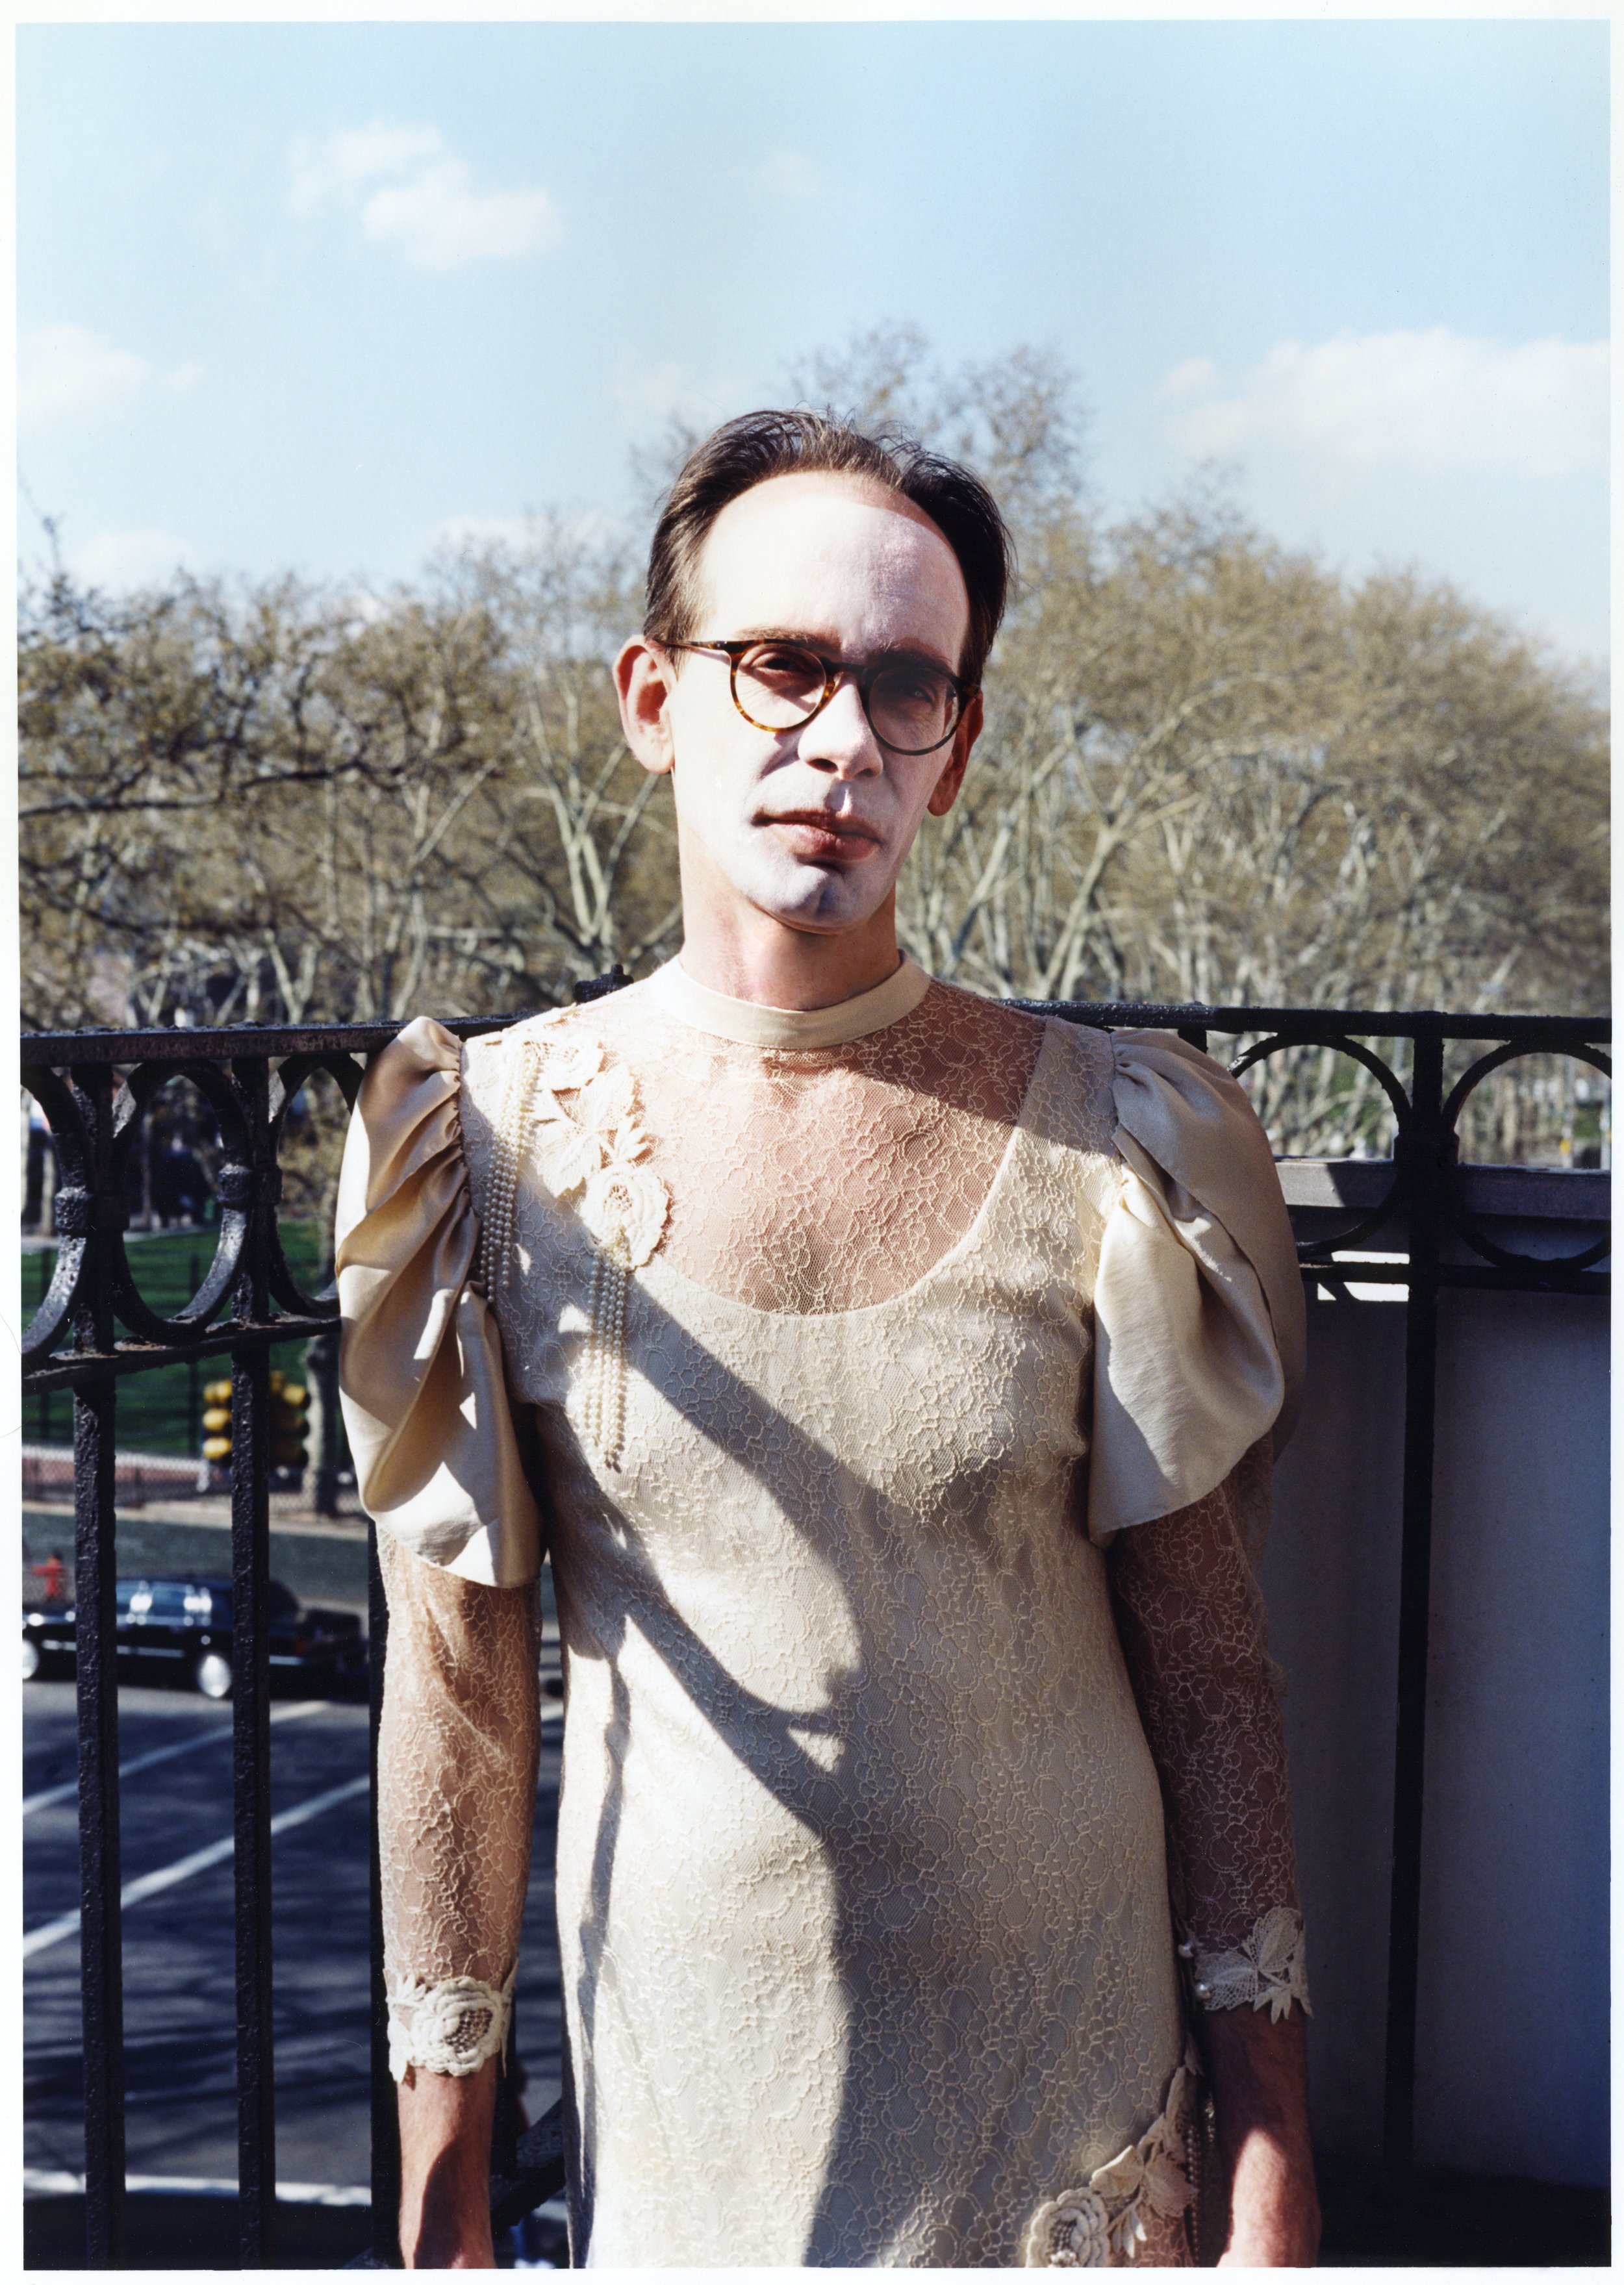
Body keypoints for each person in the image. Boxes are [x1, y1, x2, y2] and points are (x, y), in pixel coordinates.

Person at [336, 411, 1319, 2269]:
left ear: (956, 749)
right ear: (653, 699)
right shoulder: (481, 1152)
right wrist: (442, 2174)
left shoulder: (1119, 1143)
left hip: (1075, 2121)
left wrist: (1269, 2148)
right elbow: (453, 1697)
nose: (844, 738)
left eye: (904, 686)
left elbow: (1208, 1678)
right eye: (782, 665)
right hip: (694, 2125)